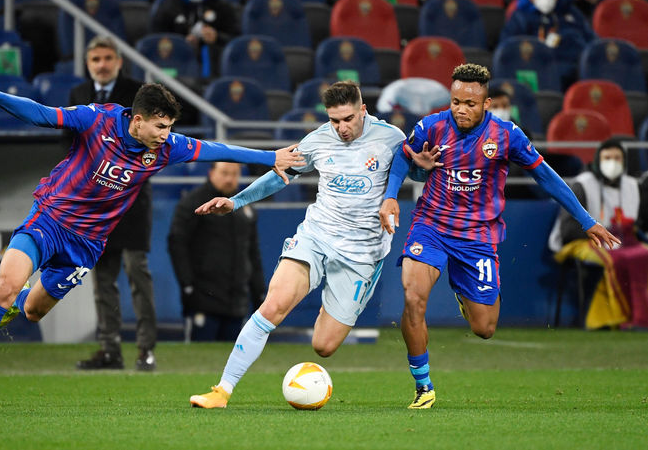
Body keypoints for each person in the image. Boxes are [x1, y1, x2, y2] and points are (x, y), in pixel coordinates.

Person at [0, 79, 304, 409]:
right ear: (137, 120)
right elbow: (44, 114)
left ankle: (16, 303)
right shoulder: (96, 119)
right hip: (49, 219)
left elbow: (217, 149)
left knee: (32, 310)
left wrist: (270, 157)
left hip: (86, 244)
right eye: (160, 126)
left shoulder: (166, 147)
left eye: (170, 127)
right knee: (6, 285)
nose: (166, 134)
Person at [378, 64, 619, 409]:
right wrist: (391, 196)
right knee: (413, 297)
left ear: (486, 103)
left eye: (470, 104)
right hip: (431, 225)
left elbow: (545, 176)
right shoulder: (431, 126)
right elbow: (404, 157)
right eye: (456, 102)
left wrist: (586, 220)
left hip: (477, 236)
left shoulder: (507, 135)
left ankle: (466, 296)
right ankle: (423, 385)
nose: (461, 110)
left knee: (485, 328)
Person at [188, 81, 435, 409]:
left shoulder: (390, 137)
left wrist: (422, 168)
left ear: (363, 110)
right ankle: (222, 391)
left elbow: (414, 173)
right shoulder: (318, 139)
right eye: (334, 120)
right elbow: (281, 175)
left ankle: (331, 302)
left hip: (362, 252)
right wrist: (237, 201)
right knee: (272, 306)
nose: (341, 128)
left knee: (324, 346)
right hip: (317, 236)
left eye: (348, 119)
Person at [68, 36, 156, 371]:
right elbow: (69, 144)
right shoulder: (78, 95)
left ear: (119, 61)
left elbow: (154, 139)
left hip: (131, 200)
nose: (102, 65)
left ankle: (146, 350)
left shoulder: (138, 93)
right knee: (101, 278)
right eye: (95, 59)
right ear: (87, 63)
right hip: (96, 205)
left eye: (107, 58)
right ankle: (110, 350)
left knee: (137, 275)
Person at [548, 138, 648, 329]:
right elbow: (568, 230)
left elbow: (639, 222)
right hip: (582, 240)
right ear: (597, 161)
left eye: (617, 158)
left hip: (623, 241)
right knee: (614, 261)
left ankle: (640, 317)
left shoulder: (632, 186)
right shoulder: (582, 185)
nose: (613, 163)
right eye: (607, 158)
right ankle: (610, 319)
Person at [167, 162, 266, 342]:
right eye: (224, 173)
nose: (229, 179)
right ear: (211, 173)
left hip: (237, 302)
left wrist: (258, 293)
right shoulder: (193, 203)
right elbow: (177, 243)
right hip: (202, 299)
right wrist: (187, 284)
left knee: (233, 356)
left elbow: (253, 253)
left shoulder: (245, 207)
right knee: (201, 355)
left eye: (234, 174)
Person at [500, 0, 595, 89]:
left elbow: (591, 39)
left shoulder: (571, 13)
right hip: (540, 68)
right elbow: (507, 46)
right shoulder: (520, 17)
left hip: (576, 67)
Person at [149, 0, 238, 78]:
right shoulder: (168, 6)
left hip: (214, 66)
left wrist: (217, 37)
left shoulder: (221, 6)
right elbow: (156, 39)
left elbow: (235, 38)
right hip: (178, 67)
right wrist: (182, 42)